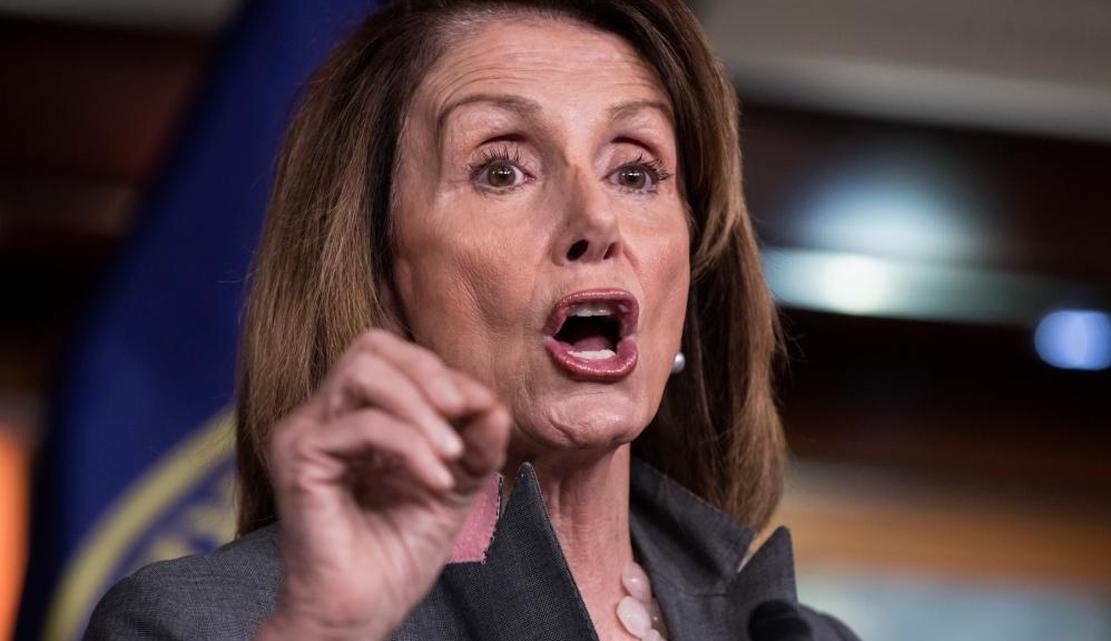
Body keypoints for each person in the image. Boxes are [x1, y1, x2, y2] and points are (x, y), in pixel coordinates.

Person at [84, 1, 862, 639]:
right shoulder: (198, 623)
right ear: (380, 274)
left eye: (634, 170)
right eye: (501, 169)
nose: (595, 220)